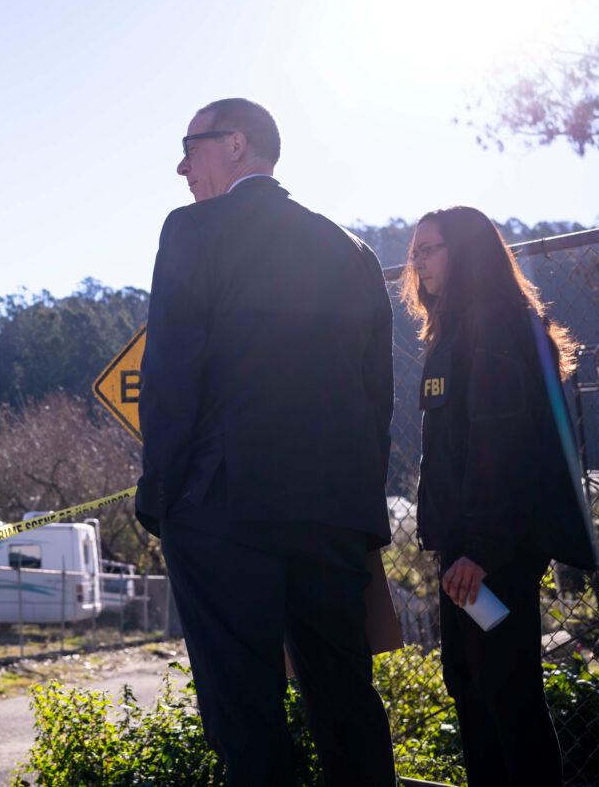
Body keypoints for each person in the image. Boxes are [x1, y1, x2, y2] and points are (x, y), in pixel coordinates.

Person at [137, 98, 397, 786]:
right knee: (346, 705)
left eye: (191, 146)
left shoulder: (194, 231)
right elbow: (378, 400)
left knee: (245, 713)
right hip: (334, 519)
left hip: (225, 509)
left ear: (237, 144)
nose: (182, 166)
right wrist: (360, 512)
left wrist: (160, 499)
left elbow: (169, 374)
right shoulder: (354, 251)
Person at [403, 206, 599, 787]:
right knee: (471, 684)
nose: (416, 262)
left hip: (492, 552)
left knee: (506, 695)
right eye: (414, 251)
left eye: (429, 249)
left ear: (465, 255)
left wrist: (481, 550)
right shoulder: (455, 331)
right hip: (466, 549)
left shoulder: (494, 326)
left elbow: (503, 446)